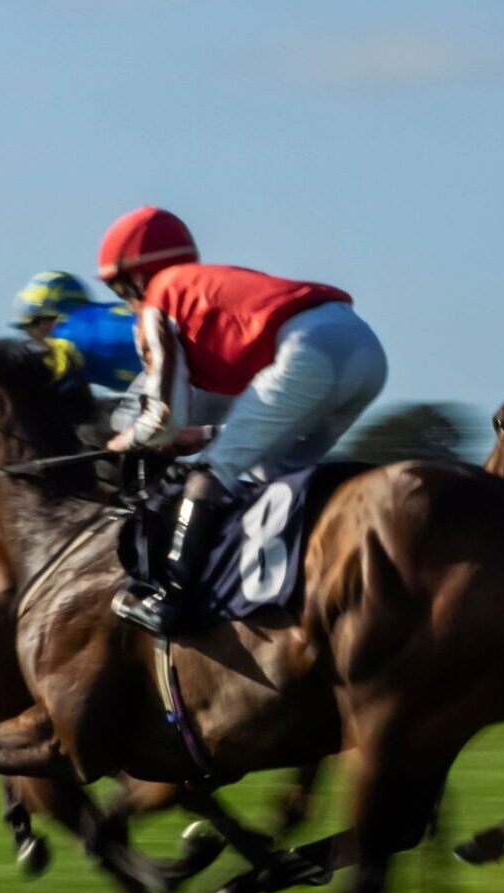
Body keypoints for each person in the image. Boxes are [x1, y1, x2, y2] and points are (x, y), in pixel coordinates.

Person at [97, 206, 389, 635]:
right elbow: (261, 422)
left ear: (139, 276)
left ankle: (169, 599)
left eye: (124, 289)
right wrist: (204, 434)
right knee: (272, 474)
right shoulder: (209, 294)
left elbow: (162, 417)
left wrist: (124, 441)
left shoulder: (161, 298)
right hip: (366, 352)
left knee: (208, 475)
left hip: (310, 350)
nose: (128, 302)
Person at [13, 270, 143, 391]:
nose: (32, 336)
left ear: (48, 318)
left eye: (33, 326)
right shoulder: (107, 313)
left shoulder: (65, 336)